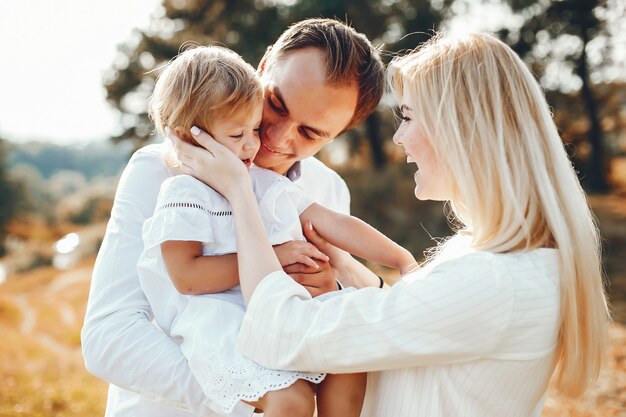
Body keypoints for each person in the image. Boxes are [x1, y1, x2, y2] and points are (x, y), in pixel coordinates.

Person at [172, 32, 610, 417]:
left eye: (408, 116)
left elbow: (279, 332)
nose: (399, 137)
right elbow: (404, 321)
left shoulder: (493, 280)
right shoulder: (490, 256)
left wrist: (239, 192)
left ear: (460, 130)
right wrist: (340, 269)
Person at [81, 18, 385, 417]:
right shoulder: (158, 173)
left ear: (338, 134)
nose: (275, 138)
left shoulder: (327, 191)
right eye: (275, 104)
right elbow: (108, 338)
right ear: (260, 70)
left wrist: (330, 288)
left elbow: (350, 317)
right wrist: (253, 399)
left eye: (309, 133)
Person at [139, 44, 415, 417]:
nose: (261, 142)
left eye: (310, 131)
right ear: (191, 136)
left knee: (349, 356)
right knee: (291, 402)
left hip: (283, 309)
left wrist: (400, 260)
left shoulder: (265, 181)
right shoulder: (179, 190)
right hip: (225, 320)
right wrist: (278, 256)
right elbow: (186, 278)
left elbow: (334, 224)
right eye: (239, 134)